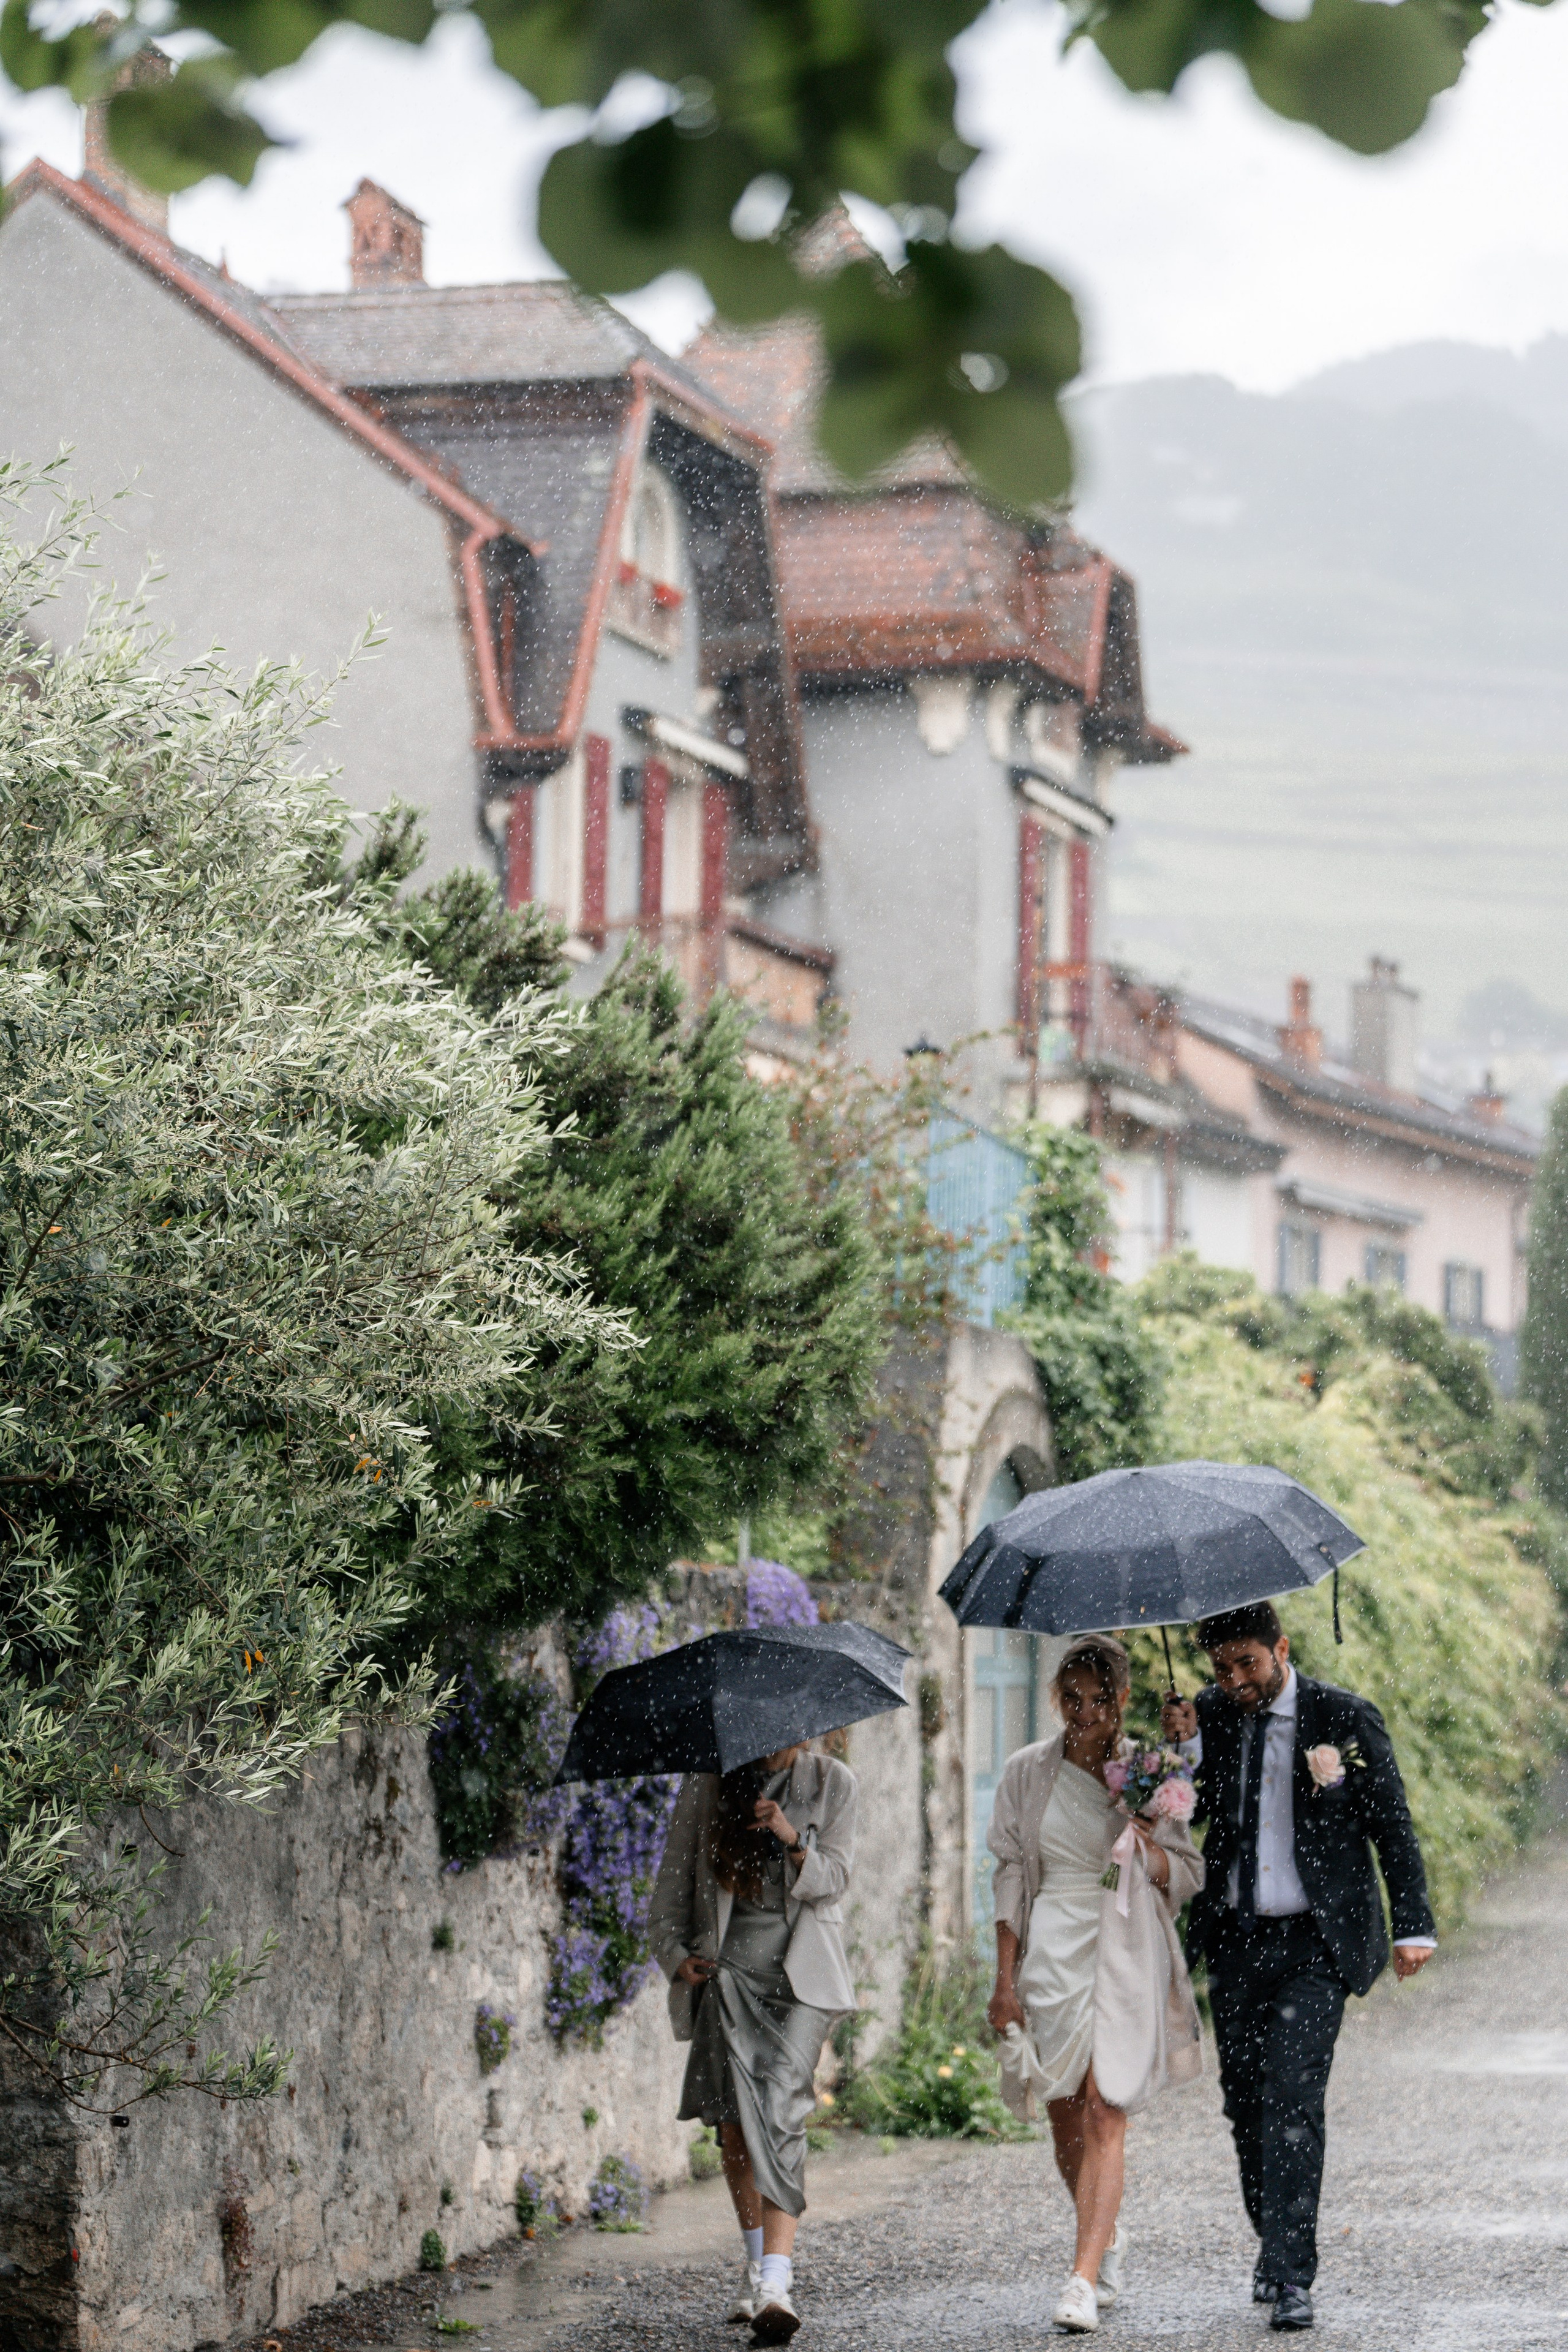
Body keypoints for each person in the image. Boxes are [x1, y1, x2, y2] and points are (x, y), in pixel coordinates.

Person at [1162, 1601, 1435, 2333]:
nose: (1235, 1680)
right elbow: (1194, 1814)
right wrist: (1181, 1755)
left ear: (1280, 1648)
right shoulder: (1214, 1716)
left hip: (1315, 1944)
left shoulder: (1343, 1718)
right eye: (1221, 1669)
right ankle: (1272, 2241)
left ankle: (1291, 2275)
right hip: (1235, 1940)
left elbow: (1391, 1823)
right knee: (1243, 2104)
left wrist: (1413, 1925)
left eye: (1247, 1663)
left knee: (1292, 2099)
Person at [986, 1634, 1205, 2336]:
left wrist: (1145, 1839)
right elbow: (1012, 1874)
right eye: (1071, 1699)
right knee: (1064, 2113)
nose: (1084, 1713)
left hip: (1124, 1942)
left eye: (1099, 1699)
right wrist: (1003, 1979)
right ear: (1056, 1698)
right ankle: (1103, 2234)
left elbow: (1186, 1874)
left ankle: (1079, 2280)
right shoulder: (1026, 1772)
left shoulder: (1150, 1770)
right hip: (1052, 1946)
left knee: (1105, 2106)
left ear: (1123, 1699)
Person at [648, 1740, 856, 2344]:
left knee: (784, 2108)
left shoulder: (833, 1782)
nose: (783, 1736)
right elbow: (671, 1880)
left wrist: (794, 1840)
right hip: (729, 1970)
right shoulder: (709, 1783)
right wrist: (674, 1955)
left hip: (801, 1975)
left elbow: (835, 1882)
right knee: (736, 2123)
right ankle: (755, 2258)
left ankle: (775, 2283)